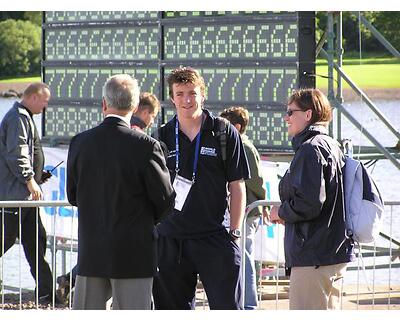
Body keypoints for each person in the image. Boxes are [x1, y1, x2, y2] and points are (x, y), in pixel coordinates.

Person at [66, 74, 175, 310]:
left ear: (104, 104)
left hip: (92, 251)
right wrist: (145, 219)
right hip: (134, 252)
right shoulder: (147, 146)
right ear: (135, 106)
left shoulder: (80, 142)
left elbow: (72, 195)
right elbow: (165, 199)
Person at [152, 66, 250, 310]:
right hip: (171, 240)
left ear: (202, 94)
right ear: (172, 98)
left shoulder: (223, 132)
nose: (187, 100)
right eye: (180, 93)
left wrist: (235, 232)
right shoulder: (161, 136)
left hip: (214, 237)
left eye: (192, 93)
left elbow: (237, 185)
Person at [269, 88, 355, 310]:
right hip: (331, 253)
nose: (286, 117)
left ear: (308, 115)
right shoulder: (331, 145)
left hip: (313, 256)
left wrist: (281, 212)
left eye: (290, 112)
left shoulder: (310, 149)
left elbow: (309, 203)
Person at [0, 83, 55, 304]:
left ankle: (46, 293)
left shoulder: (23, 117)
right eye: (44, 100)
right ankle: (47, 292)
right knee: (4, 240)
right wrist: (30, 179)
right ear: (32, 97)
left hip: (26, 197)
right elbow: (16, 153)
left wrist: (37, 176)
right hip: (16, 196)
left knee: (36, 243)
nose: (46, 105)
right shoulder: (18, 118)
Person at [220, 106, 267, 310]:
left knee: (244, 257)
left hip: (247, 212)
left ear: (237, 126)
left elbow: (256, 181)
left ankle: (248, 304)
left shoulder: (244, 147)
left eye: (227, 125)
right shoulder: (236, 146)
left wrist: (261, 202)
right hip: (242, 211)